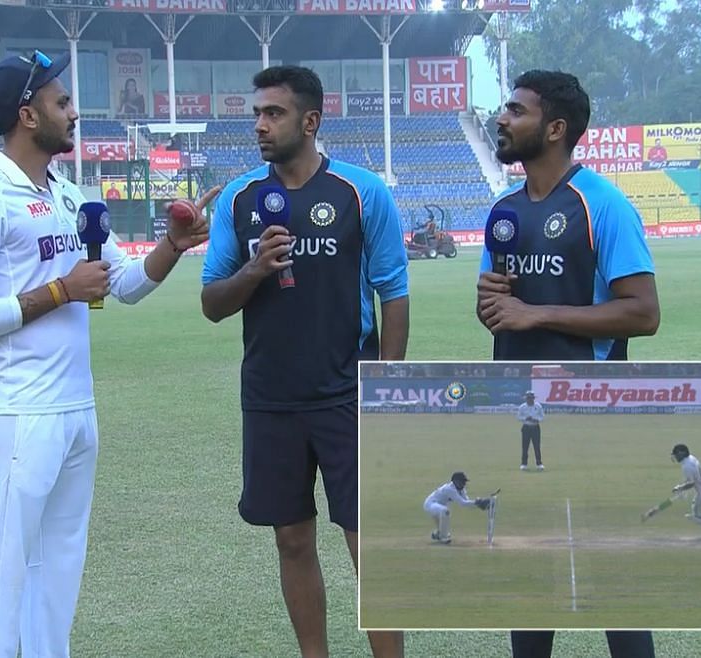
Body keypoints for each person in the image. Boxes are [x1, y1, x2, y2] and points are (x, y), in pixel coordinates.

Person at [0, 48, 213, 658]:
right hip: (13, 412)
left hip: (73, 412)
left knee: (55, 576)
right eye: (62, 102)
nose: (74, 112)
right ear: (28, 115)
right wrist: (60, 291)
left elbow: (128, 284)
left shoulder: (67, 194)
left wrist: (172, 245)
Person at [200, 65, 408, 658]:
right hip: (271, 398)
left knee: (370, 545)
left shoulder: (362, 192)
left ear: (310, 121)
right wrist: (255, 268)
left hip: (348, 394)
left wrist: (386, 388)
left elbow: (392, 293)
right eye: (256, 115)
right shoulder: (240, 200)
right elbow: (214, 303)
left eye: (274, 114)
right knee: (291, 540)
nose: (260, 126)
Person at [475, 70, 661, 658]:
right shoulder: (504, 211)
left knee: (608, 571)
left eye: (516, 110)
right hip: (523, 412)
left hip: (593, 414)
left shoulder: (601, 205)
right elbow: (500, 313)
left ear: (555, 129)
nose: (500, 119)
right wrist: (494, 306)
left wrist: (538, 314)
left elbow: (643, 313)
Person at [423, 471, 492, 544]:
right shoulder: (449, 489)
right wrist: (478, 503)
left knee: (445, 512)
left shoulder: (461, 489)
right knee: (445, 511)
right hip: (430, 504)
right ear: (455, 481)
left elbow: (467, 501)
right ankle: (443, 537)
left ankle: (438, 534)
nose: (464, 484)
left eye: (464, 481)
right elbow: (463, 503)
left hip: (439, 506)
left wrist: (478, 504)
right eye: (462, 481)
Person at [516, 390, 544, 471]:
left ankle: (539, 463)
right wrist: (525, 418)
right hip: (526, 427)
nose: (529, 400)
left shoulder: (538, 406)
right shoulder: (522, 407)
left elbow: (542, 416)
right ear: (526, 399)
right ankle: (524, 464)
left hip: (535, 428)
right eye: (528, 398)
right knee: (525, 446)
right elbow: (518, 417)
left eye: (531, 398)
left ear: (533, 399)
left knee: (537, 446)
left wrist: (536, 419)